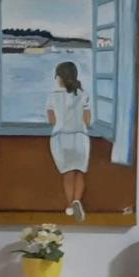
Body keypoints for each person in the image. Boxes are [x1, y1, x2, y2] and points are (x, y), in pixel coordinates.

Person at [46, 61, 91, 221]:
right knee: (80, 172)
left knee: (67, 173)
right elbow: (87, 119)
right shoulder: (83, 94)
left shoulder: (53, 95)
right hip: (80, 136)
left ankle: (69, 205)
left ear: (61, 77)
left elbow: (51, 119)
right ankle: (77, 200)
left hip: (61, 137)